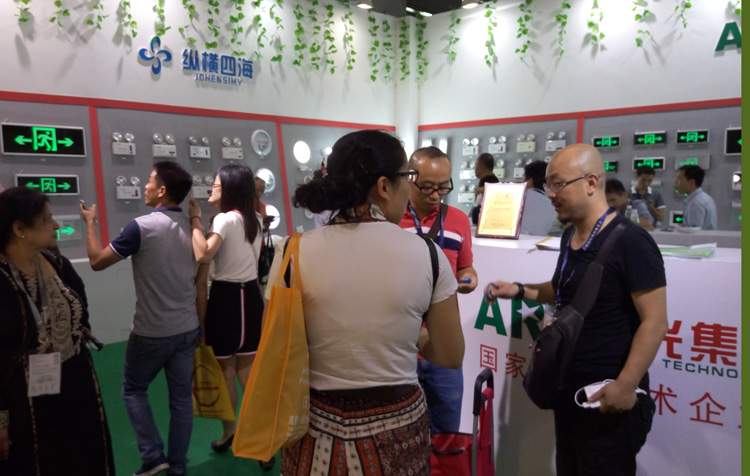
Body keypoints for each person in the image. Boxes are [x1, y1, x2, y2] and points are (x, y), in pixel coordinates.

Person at [266, 130, 464, 475]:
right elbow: (450, 354)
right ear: (384, 186)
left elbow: (276, 343)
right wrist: (412, 336)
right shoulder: (428, 255)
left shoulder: (292, 251)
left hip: (313, 426)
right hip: (398, 430)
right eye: (408, 178)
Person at [487, 144, 668, 476]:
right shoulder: (570, 235)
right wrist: (519, 290)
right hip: (568, 391)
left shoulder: (631, 242)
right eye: (548, 185)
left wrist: (625, 386)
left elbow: (655, 321)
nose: (550, 194)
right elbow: (566, 289)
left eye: (558, 184)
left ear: (591, 182)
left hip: (606, 400)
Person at [80, 161, 202, 476]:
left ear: (162, 190)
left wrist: (90, 223)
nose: (144, 186)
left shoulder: (141, 227)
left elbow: (96, 262)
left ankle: (152, 456)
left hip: (151, 331)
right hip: (188, 328)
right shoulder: (193, 229)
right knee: (181, 401)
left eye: (149, 181)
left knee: (133, 389)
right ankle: (177, 466)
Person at [0, 187, 115, 475]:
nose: (56, 226)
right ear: (19, 229)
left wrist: (81, 327)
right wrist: (1, 419)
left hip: (75, 379)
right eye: (47, 219)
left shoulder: (54, 260)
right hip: (25, 396)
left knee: (85, 456)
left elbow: (79, 296)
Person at [187, 165, 272, 469]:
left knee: (226, 371)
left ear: (229, 188)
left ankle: (230, 432)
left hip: (225, 299)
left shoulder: (223, 219)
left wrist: (195, 221)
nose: (211, 187)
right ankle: (263, 439)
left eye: (215, 183)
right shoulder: (255, 221)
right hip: (250, 299)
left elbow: (203, 254)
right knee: (247, 372)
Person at [398, 146, 477, 435]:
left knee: (447, 434)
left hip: (445, 342)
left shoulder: (458, 220)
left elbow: (465, 267)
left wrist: (469, 278)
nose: (436, 196)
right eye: (428, 187)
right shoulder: (390, 220)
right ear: (409, 179)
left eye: (443, 187)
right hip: (401, 345)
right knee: (403, 435)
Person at [519, 160, 557, 236]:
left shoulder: (520, 197)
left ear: (529, 181)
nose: (521, 181)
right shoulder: (553, 204)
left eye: (523, 177)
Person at [675, 165, 717, 230]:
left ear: (691, 182)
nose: (675, 182)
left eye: (679, 179)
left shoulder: (695, 203)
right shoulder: (706, 198)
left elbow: (694, 233)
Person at [471, 152, 500, 225]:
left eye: (476, 165)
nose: (474, 168)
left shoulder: (490, 182)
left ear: (482, 167)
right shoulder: (488, 180)